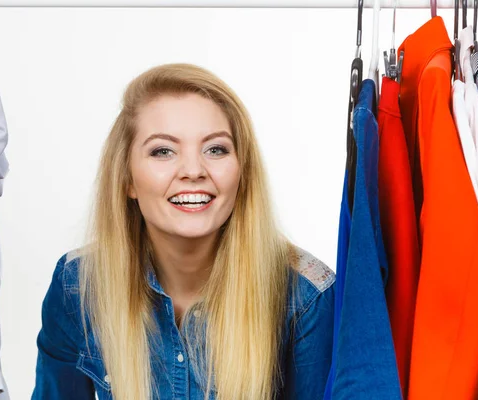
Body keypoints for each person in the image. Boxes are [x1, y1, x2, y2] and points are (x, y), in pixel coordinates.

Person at [31, 63, 335, 400]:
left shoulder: (306, 298)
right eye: (163, 151)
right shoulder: (77, 286)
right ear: (128, 179)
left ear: (241, 172)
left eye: (215, 149)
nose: (193, 170)